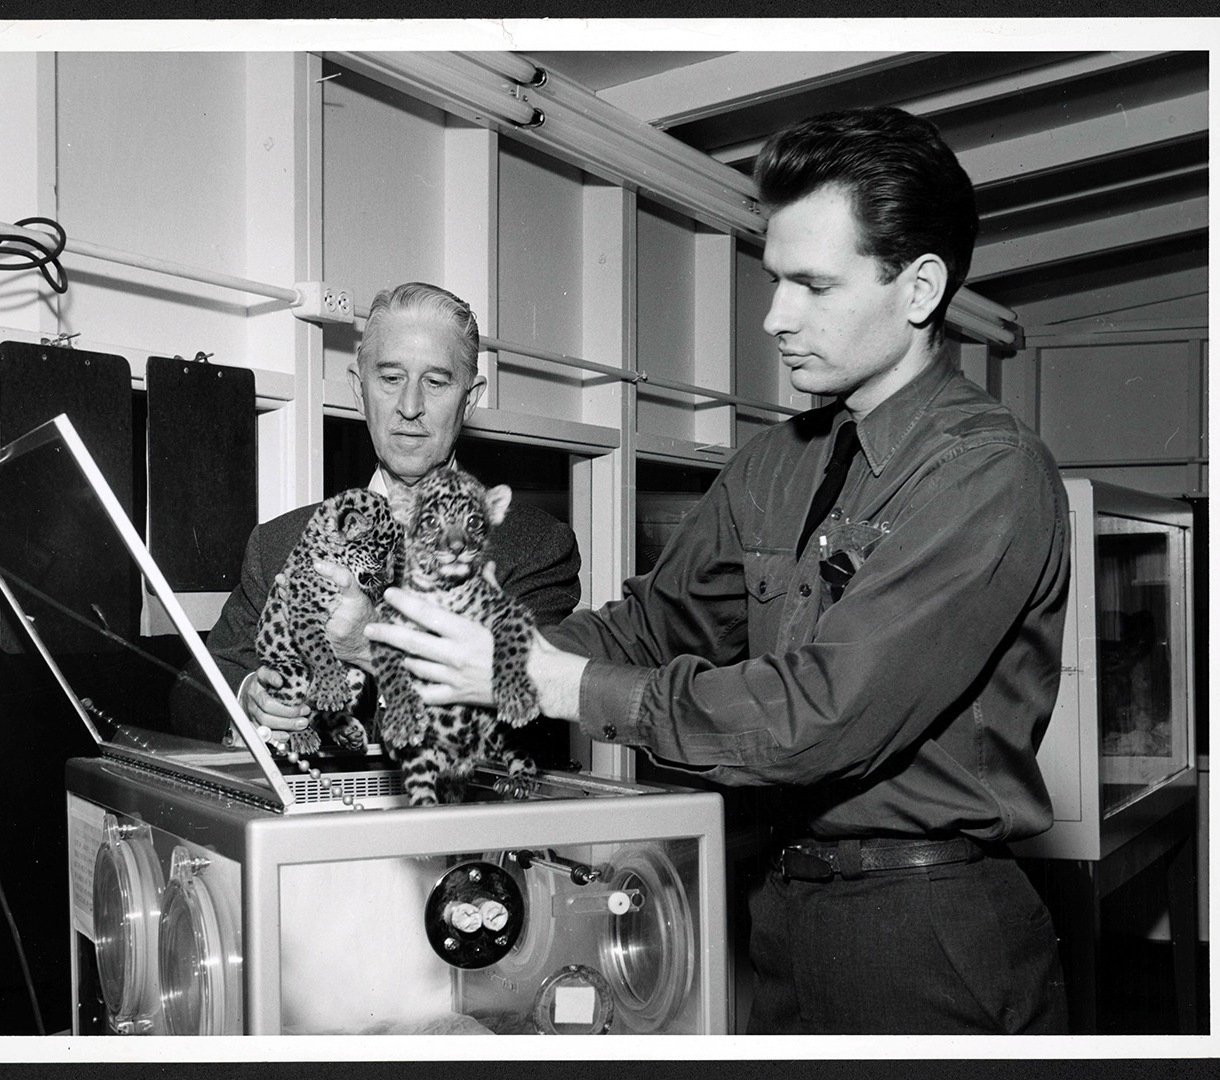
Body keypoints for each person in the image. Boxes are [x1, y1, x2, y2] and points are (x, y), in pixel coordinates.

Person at [325, 108, 1073, 1035]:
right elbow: (651, 628)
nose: (773, 317)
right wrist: (450, 652)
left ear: (919, 288)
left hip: (923, 928)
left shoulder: (987, 472)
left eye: (813, 286)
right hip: (779, 905)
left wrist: (539, 678)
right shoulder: (776, 463)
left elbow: (821, 717)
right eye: (773, 281)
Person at [168, 281, 581, 750]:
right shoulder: (279, 541)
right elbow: (190, 691)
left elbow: (522, 711)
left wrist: (369, 649)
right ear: (358, 390)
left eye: (436, 381)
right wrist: (250, 700)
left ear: (469, 399)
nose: (409, 407)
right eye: (390, 379)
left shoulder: (532, 547)